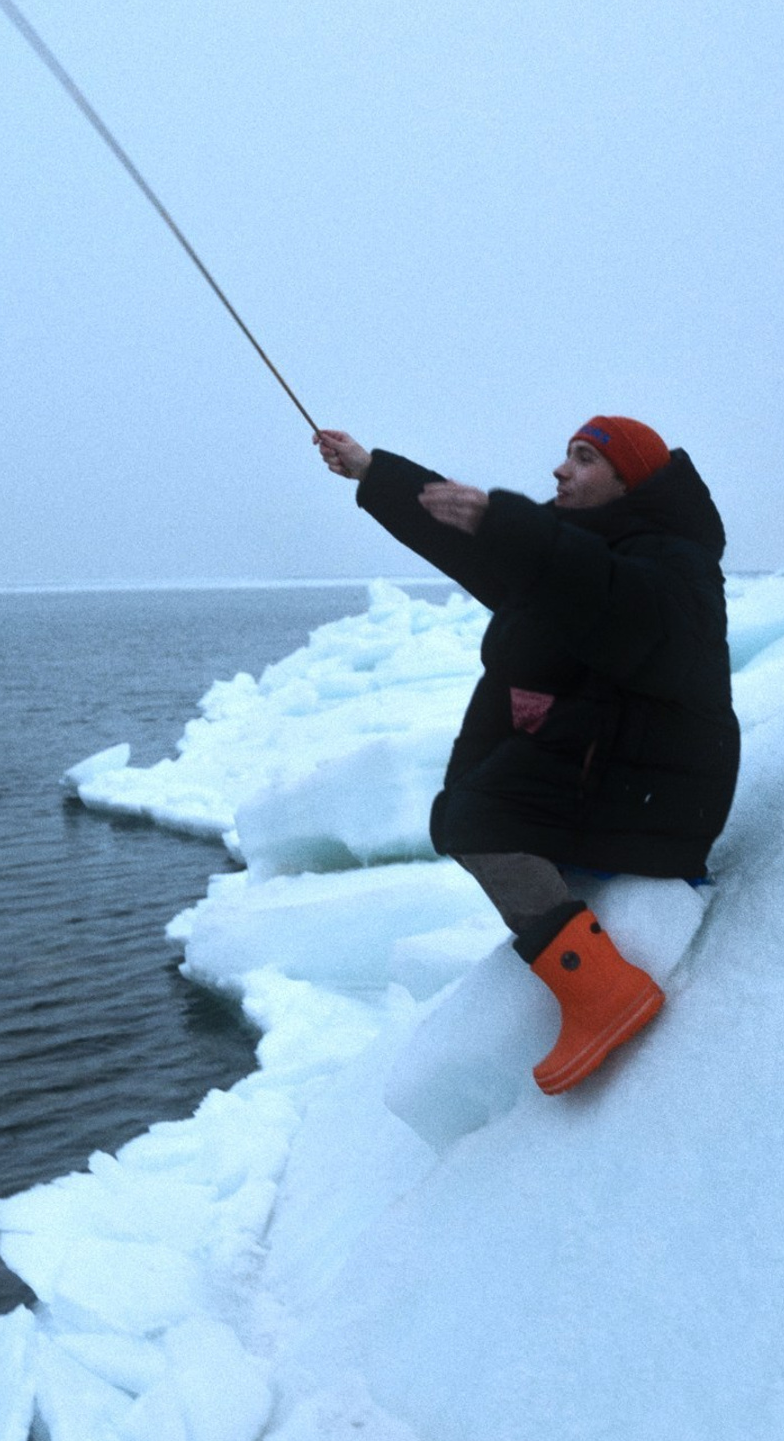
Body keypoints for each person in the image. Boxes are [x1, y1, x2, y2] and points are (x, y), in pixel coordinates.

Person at [316, 415, 738, 1094]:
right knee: (467, 802)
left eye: (584, 459)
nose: (560, 470)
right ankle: (580, 931)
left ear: (629, 480)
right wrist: (374, 473)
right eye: (566, 455)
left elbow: (609, 595)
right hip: (624, 763)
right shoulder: (580, 544)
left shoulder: (671, 557)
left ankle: (604, 992)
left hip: (665, 790)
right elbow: (480, 547)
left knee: (480, 816)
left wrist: (510, 526)